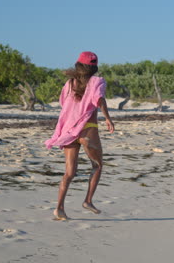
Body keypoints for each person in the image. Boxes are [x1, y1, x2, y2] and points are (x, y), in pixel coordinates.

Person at [45, 51, 115, 221]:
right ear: (95, 67)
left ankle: (59, 208)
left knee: (69, 173)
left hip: (69, 130)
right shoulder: (98, 81)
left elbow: (63, 103)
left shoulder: (69, 84)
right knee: (97, 166)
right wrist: (107, 118)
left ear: (78, 65)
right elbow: (99, 99)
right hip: (87, 128)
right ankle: (88, 201)